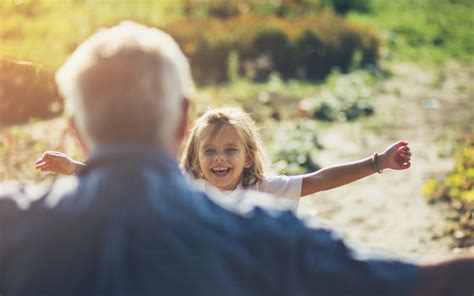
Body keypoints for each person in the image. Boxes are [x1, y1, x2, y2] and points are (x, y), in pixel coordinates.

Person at [1, 21, 472, 295]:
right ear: (185, 122)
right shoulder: (269, 234)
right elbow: (418, 283)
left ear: (77, 132)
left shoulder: (11, 223)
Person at [36, 107, 412, 208]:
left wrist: (377, 162)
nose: (219, 159)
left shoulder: (264, 188)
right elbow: (128, 185)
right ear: (196, 159)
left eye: (230, 150)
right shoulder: (183, 186)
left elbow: (317, 180)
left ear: (247, 157)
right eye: (210, 151)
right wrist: (73, 168)